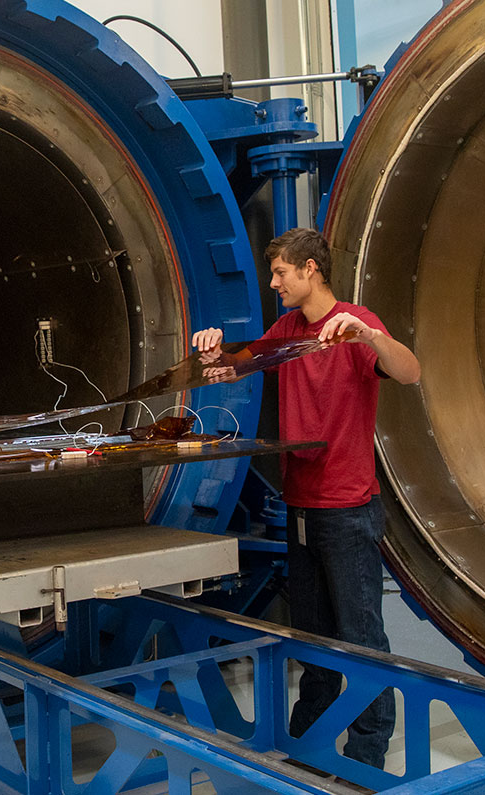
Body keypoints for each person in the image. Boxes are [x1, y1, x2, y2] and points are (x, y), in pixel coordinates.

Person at [192, 228, 420, 773]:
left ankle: (367, 756)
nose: (274, 284)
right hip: (301, 506)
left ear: (311, 269)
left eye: (280, 274)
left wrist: (368, 337)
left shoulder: (353, 324)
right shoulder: (288, 330)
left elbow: (411, 372)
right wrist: (208, 348)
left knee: (361, 638)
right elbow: (229, 369)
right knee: (312, 637)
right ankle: (310, 747)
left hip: (346, 509)